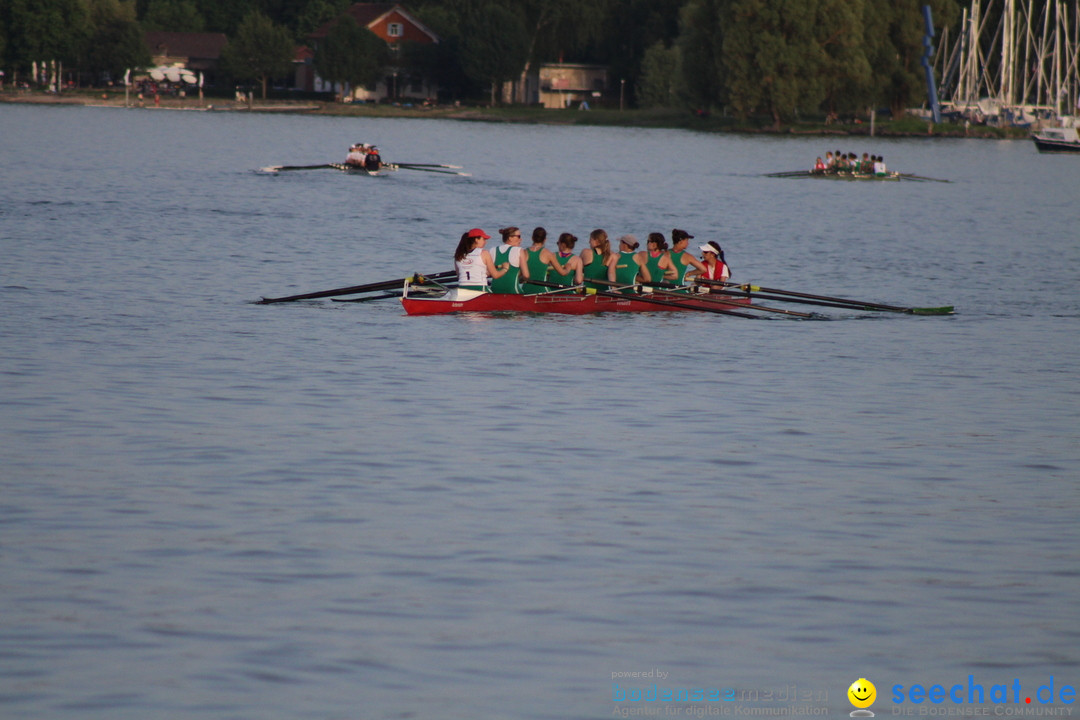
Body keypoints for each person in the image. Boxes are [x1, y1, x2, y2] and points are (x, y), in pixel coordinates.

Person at [522, 227, 570, 294]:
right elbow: (563, 273)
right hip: (542, 290)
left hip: (525, 289)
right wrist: (568, 268)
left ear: (532, 238)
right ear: (545, 240)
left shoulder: (524, 252)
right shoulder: (548, 253)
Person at [490, 226, 529, 294]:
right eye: (518, 236)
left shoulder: (492, 250)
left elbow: (488, 273)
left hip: (494, 291)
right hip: (513, 292)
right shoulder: (519, 250)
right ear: (510, 238)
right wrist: (519, 279)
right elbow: (526, 275)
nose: (521, 239)